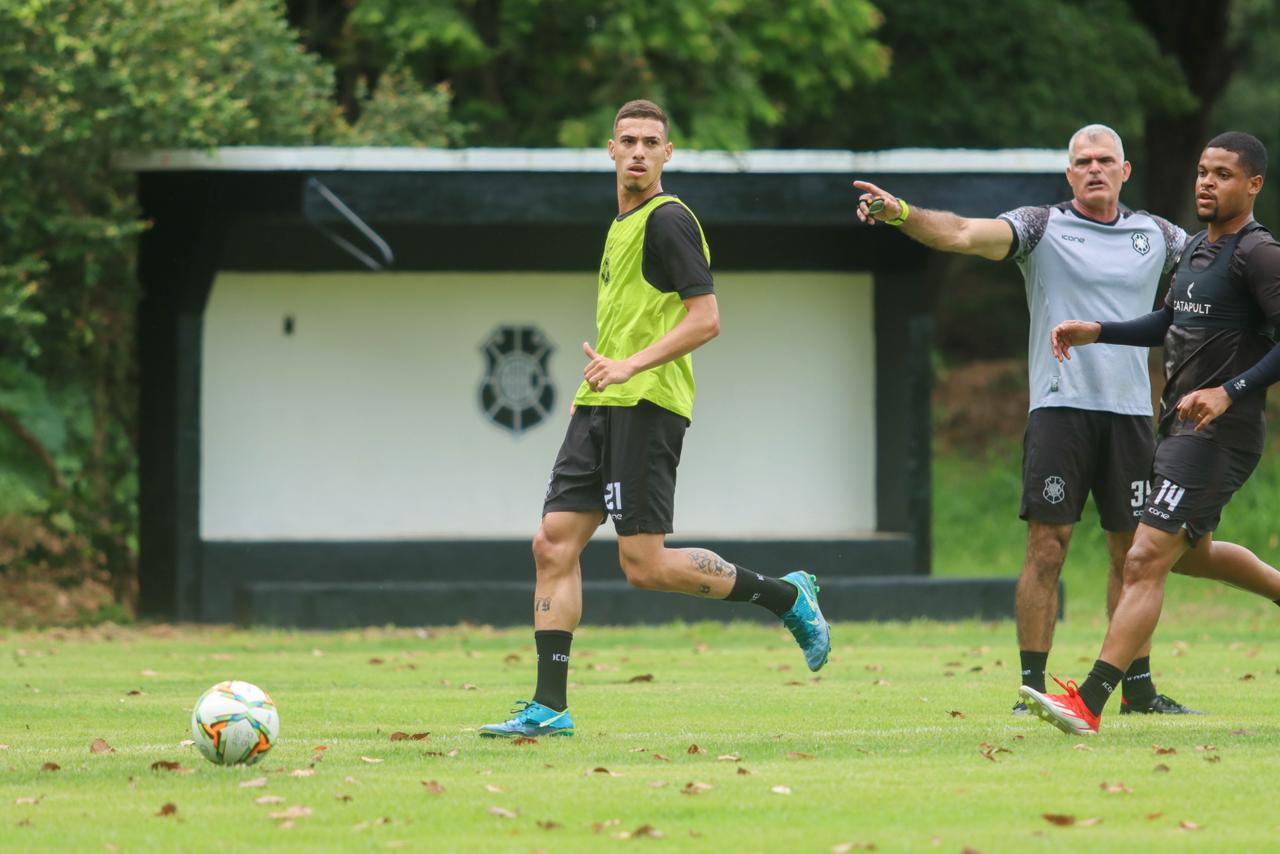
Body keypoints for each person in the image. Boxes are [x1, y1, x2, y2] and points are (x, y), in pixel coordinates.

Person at [479, 100, 830, 738]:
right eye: (628, 140)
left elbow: (707, 319)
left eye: (651, 142)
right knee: (552, 543)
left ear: (668, 154)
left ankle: (786, 596)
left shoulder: (669, 220)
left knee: (642, 564)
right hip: (602, 406)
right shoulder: (620, 224)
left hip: (646, 404)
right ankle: (550, 706)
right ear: (609, 150)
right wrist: (602, 381)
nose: (638, 151)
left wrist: (629, 367)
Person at [854, 125, 1199, 716]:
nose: (1094, 168)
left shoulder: (1161, 236)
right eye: (1082, 161)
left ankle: (1136, 689)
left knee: (1134, 556)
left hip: (1131, 418)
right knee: (1047, 548)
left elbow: (1221, 271)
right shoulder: (1041, 228)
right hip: (1059, 411)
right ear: (1069, 174)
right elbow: (962, 232)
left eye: (1105, 160)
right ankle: (1032, 688)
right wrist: (900, 212)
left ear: (1125, 171)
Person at [1023, 131, 1280, 735]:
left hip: (1220, 434)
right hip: (1179, 428)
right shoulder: (1194, 248)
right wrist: (1100, 331)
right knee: (1192, 556)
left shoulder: (1259, 253)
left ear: (1253, 185)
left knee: (1142, 558)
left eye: (1222, 174)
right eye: (1202, 171)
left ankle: (1089, 701)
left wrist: (1228, 391)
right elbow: (1170, 320)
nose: (1206, 183)